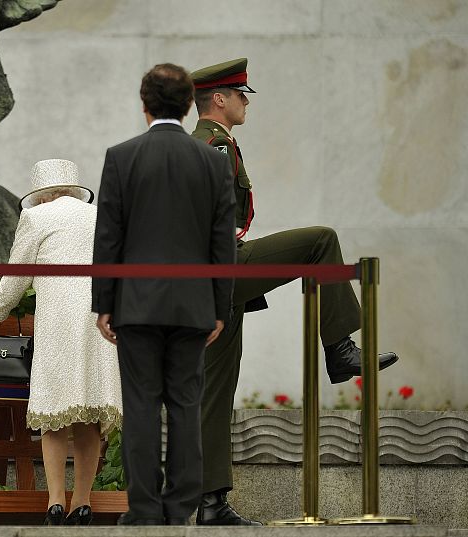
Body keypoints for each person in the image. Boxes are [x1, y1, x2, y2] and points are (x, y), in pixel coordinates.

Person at [189, 58, 400, 526]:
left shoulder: (208, 144)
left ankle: (210, 505)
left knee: (216, 394)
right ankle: (340, 348)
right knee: (320, 241)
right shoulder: (211, 147)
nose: (247, 101)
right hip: (220, 268)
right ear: (218, 99)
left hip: (211, 284)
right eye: (241, 94)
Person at [92, 63, 236, 526]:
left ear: (143, 104)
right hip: (194, 307)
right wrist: (220, 308)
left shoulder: (121, 156)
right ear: (191, 103)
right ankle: (179, 510)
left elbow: (109, 235)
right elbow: (222, 242)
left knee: (139, 408)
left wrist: (105, 303)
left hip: (136, 305)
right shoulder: (213, 160)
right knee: (186, 408)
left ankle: (144, 511)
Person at [0, 159, 123, 526]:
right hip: (99, 319)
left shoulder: (36, 219)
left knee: (54, 415)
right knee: (90, 415)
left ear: (41, 195)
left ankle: (54, 502)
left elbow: (16, 275)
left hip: (58, 322)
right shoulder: (98, 215)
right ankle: (82, 503)